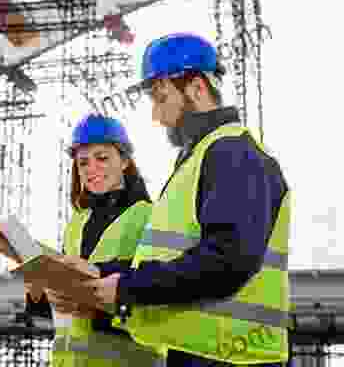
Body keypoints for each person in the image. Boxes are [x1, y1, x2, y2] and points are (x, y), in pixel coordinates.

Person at [81, 33, 291, 367]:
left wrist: (128, 288)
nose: (157, 115)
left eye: (161, 98)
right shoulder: (199, 159)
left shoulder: (232, 152)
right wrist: (93, 272)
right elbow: (174, 256)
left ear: (196, 89)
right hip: (204, 352)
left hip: (232, 356)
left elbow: (228, 260)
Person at [0, 113, 165, 367]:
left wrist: (94, 303)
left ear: (125, 161)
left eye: (102, 158)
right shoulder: (77, 224)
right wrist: (38, 293)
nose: (91, 169)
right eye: (83, 162)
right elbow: (60, 309)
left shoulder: (150, 216)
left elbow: (156, 297)